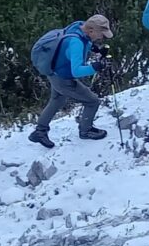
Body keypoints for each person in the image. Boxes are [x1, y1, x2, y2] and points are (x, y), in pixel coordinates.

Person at [29, 14, 113, 148]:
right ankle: (86, 131)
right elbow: (77, 71)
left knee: (57, 100)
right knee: (92, 101)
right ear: (91, 30)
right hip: (63, 78)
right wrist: (95, 67)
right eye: (101, 34)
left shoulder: (78, 26)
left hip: (54, 72)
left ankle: (40, 131)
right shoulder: (76, 43)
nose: (101, 37)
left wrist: (94, 49)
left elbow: (78, 43)